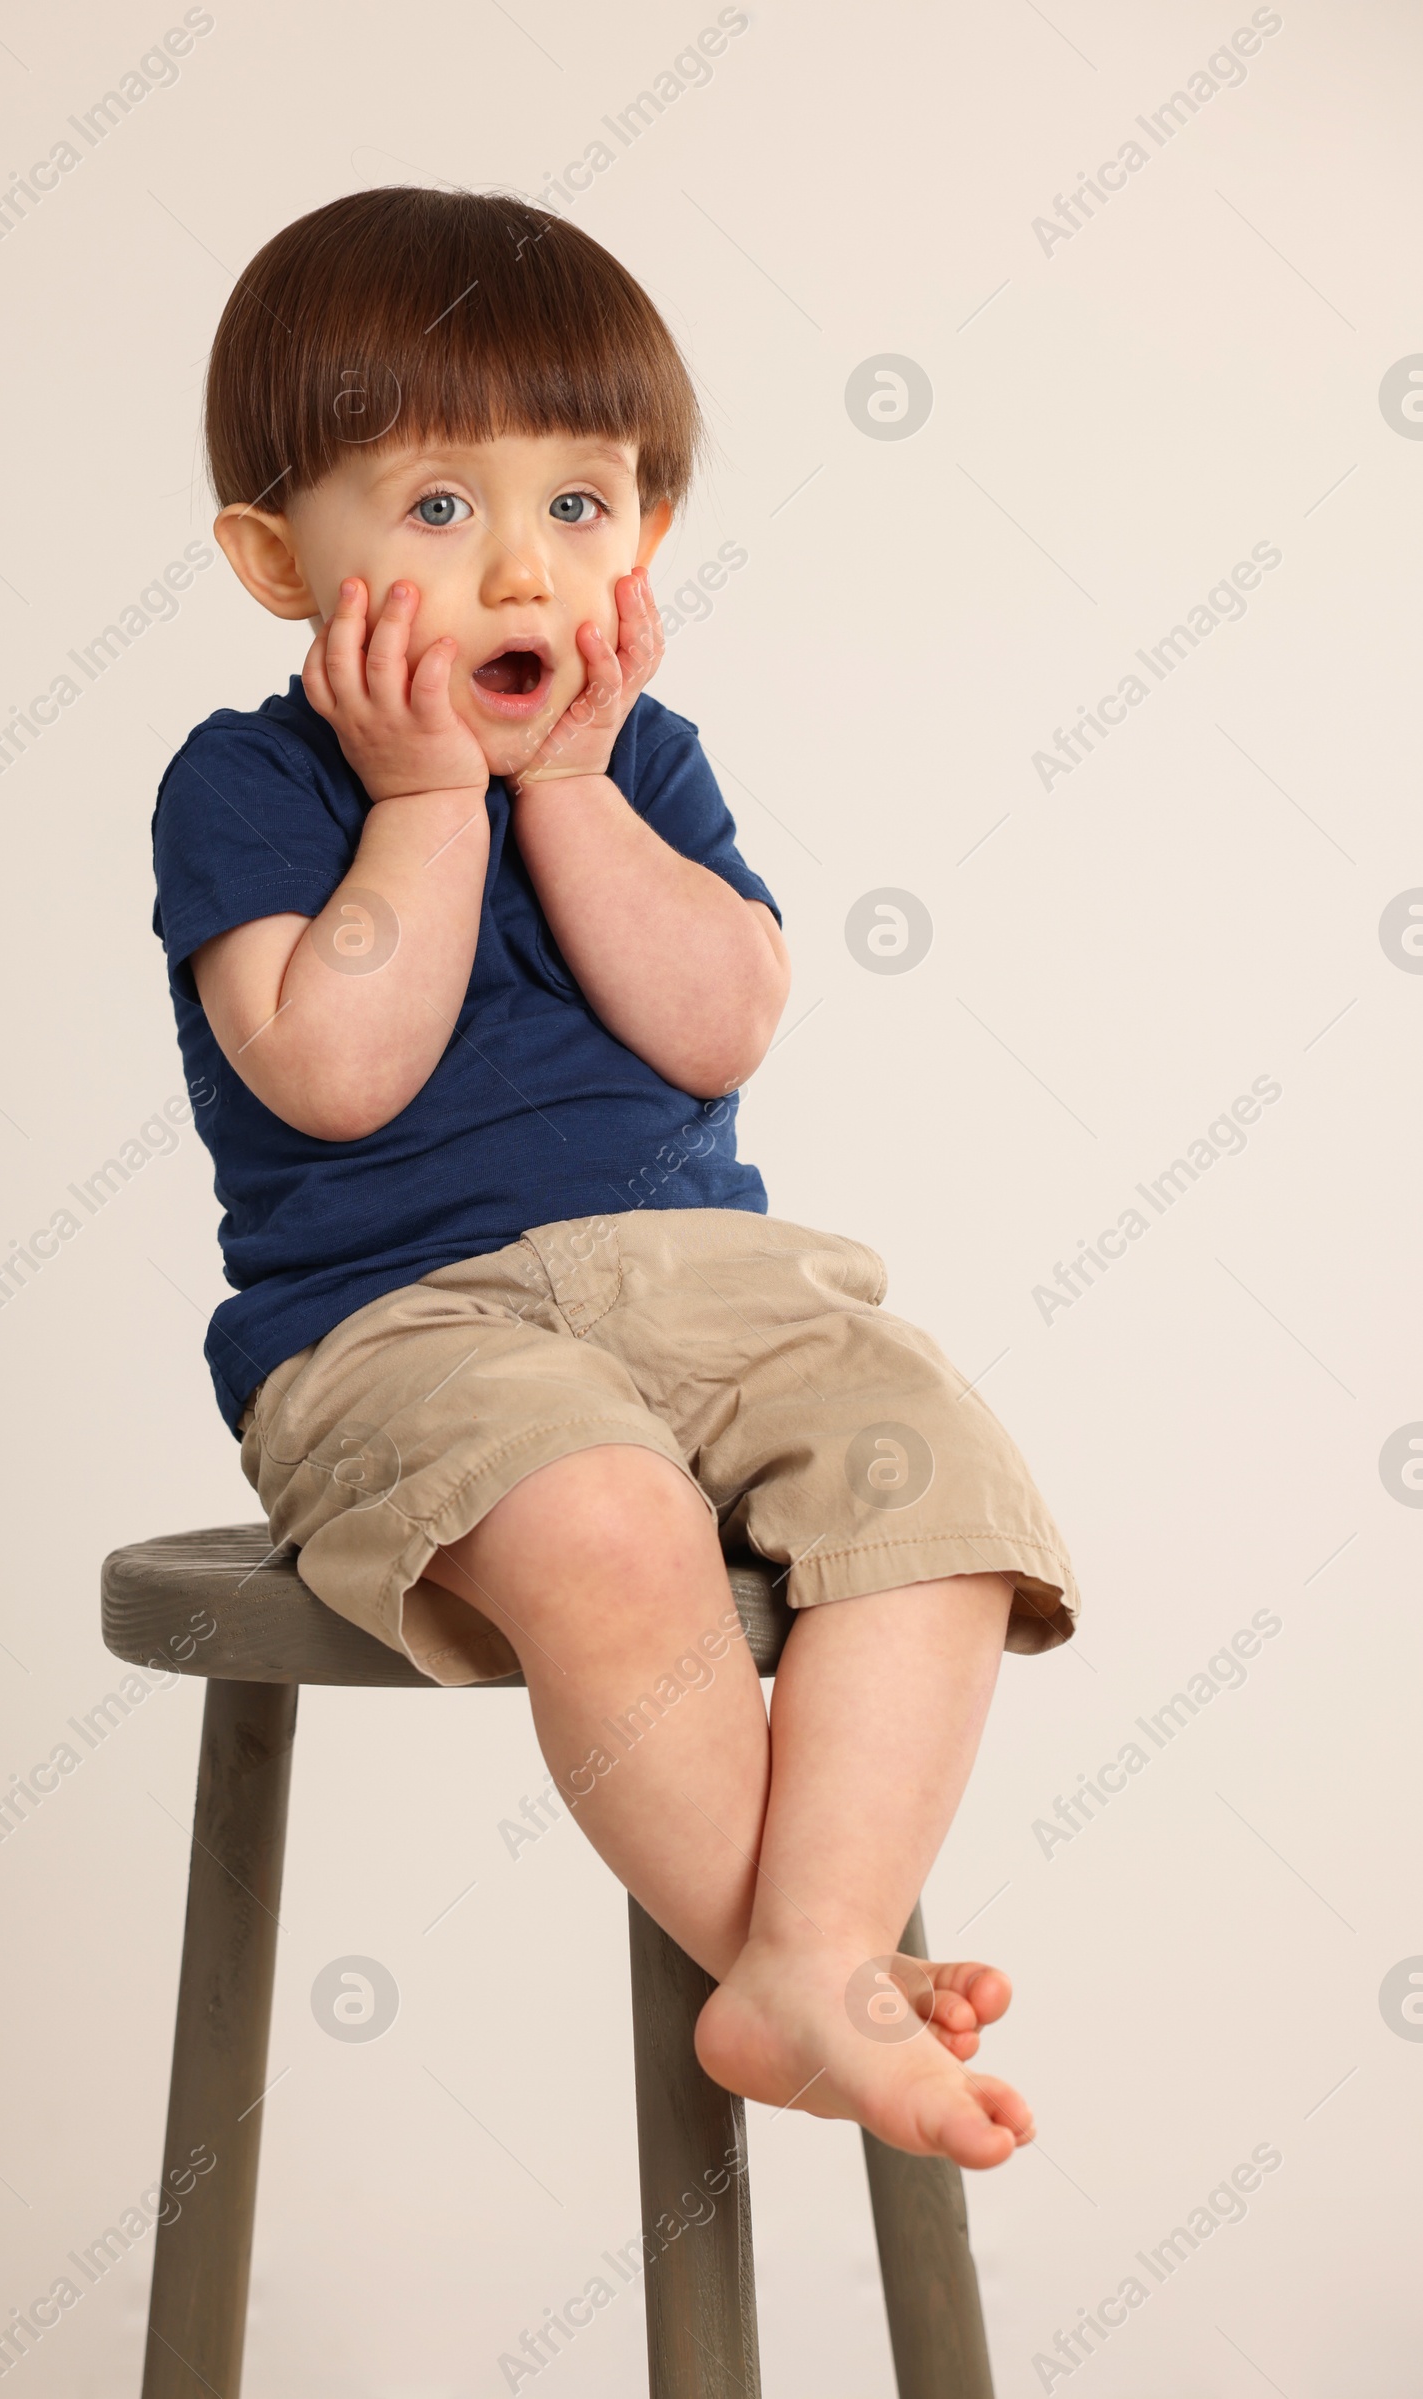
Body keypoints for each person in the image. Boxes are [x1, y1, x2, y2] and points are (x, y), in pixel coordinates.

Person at [150, 186, 1079, 2168]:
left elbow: (721, 1020)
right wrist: (422, 804)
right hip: (401, 1334)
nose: (512, 566)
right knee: (603, 1526)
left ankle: (805, 1957)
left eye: (576, 507)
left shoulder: (640, 765)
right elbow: (330, 1070)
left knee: (937, 1483)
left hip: (712, 1291)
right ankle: (815, 1976)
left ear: (644, 538)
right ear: (268, 555)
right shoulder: (247, 788)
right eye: (429, 509)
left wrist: (561, 786)